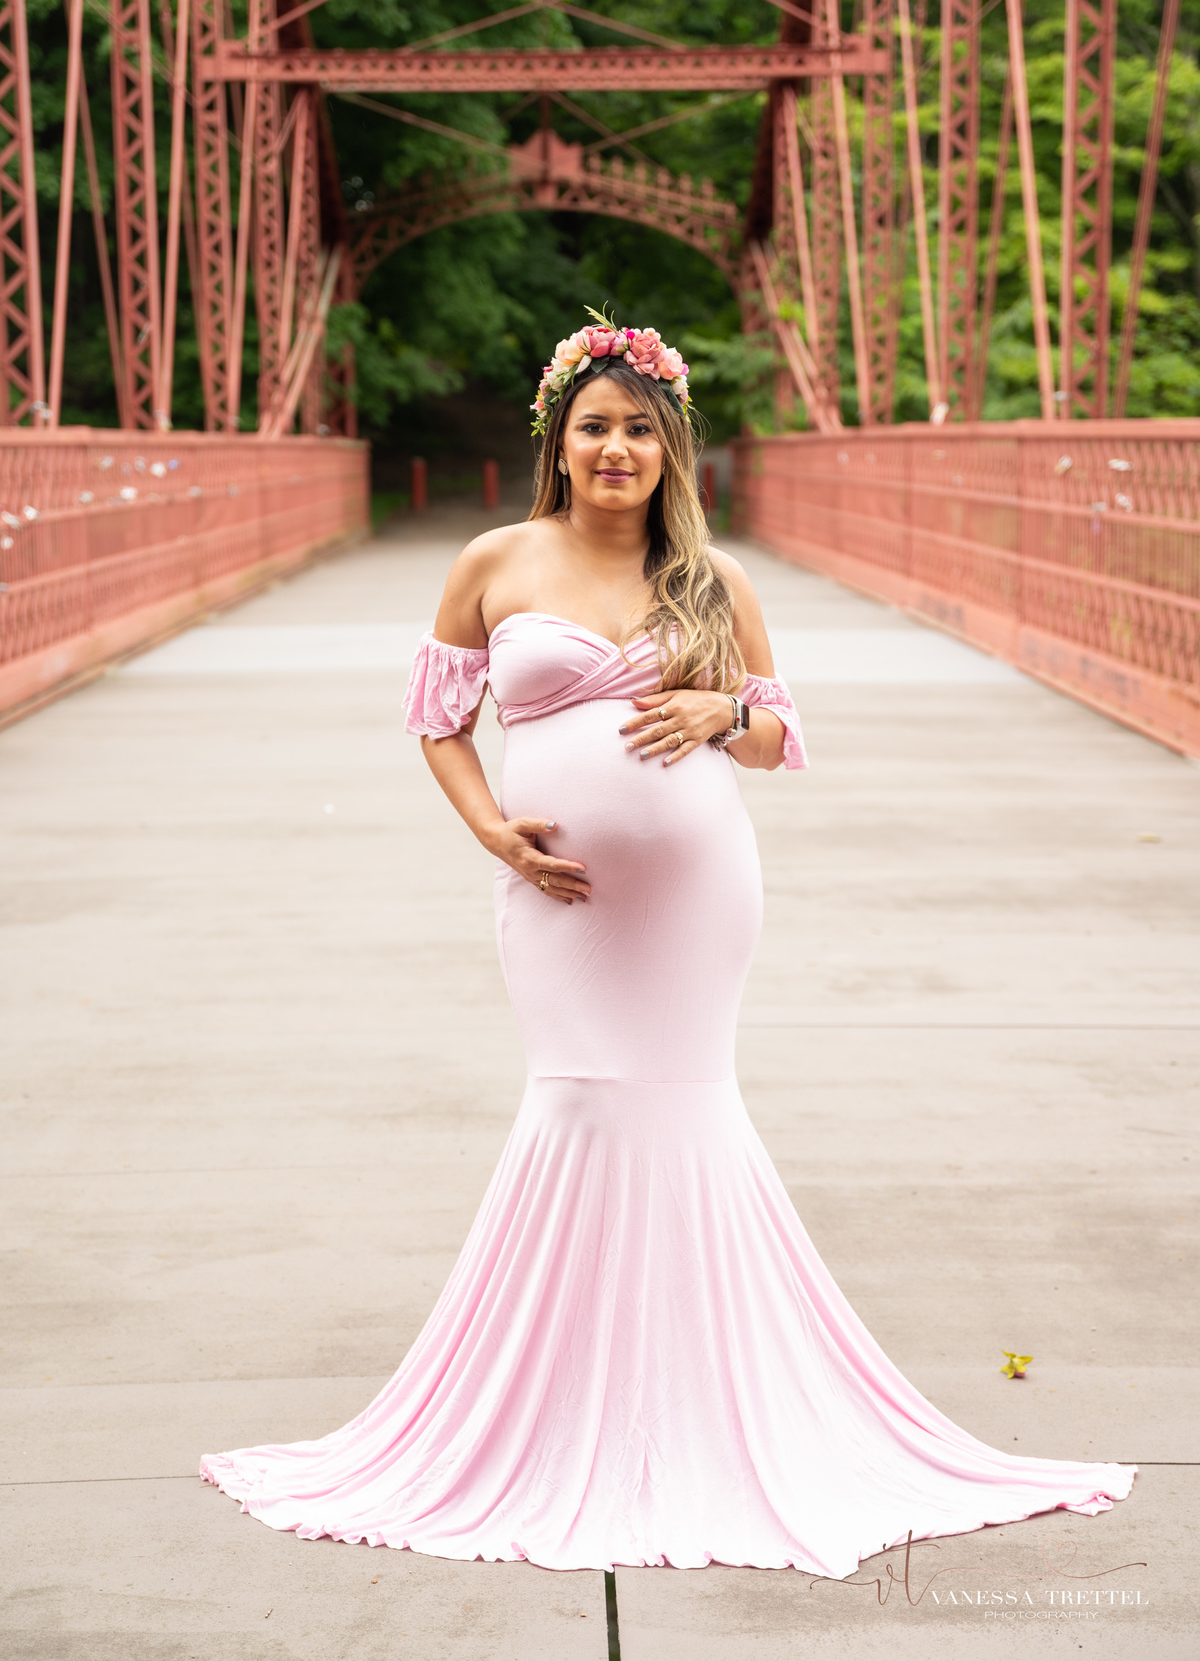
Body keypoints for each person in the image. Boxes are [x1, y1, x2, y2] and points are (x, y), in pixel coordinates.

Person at [201, 315, 1135, 1576]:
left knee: (686, 1111)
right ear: (560, 439)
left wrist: (723, 702)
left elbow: (778, 735)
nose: (618, 447)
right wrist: (493, 832)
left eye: (641, 428)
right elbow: (438, 721)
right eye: (596, 425)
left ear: (669, 446)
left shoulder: (713, 579)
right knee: (580, 1105)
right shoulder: (495, 561)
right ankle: (559, 1400)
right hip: (558, 899)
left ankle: (700, 1399)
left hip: (700, 905)